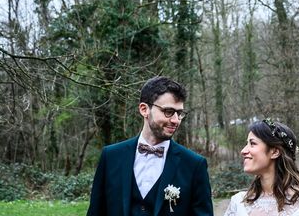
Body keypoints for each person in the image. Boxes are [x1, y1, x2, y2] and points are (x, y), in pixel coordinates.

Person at [87, 76, 214, 216]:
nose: (175, 120)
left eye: (179, 113)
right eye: (168, 112)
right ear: (144, 109)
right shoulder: (110, 156)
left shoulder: (194, 165)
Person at [224, 119, 299, 216]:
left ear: (274, 152)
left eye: (253, 143)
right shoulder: (238, 203)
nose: (243, 151)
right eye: (246, 144)